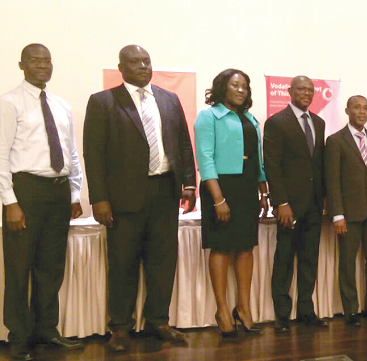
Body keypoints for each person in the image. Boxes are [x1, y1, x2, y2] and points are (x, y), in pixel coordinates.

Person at [83, 45, 197, 352]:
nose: (143, 66)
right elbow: (93, 155)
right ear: (121, 67)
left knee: (163, 261)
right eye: (135, 62)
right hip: (123, 198)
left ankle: (158, 321)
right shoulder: (103, 102)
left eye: (147, 61)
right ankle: (120, 327)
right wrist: (99, 199)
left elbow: (183, 145)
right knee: (123, 264)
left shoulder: (169, 99)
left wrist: (189, 184)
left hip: (164, 192)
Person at [0, 43, 84, 360]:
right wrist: (10, 202)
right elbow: (1, 156)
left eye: (47, 60)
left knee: (51, 268)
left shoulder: (61, 105)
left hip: (58, 192)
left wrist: (74, 193)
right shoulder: (9, 103)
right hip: (26, 190)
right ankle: (19, 337)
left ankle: (46, 330)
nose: (42, 65)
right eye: (35, 60)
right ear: (21, 65)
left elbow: (71, 154)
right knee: (20, 267)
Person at [194, 69, 268, 336]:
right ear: (223, 87)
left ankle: (244, 309)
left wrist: (263, 190)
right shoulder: (209, 116)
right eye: (235, 85)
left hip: (247, 188)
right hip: (221, 187)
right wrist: (218, 198)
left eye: (245, 86)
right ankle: (222, 311)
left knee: (246, 248)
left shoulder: (250, 118)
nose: (241, 90)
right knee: (222, 248)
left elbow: (258, 159)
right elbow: (205, 159)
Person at [263, 75, 327, 332]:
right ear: (289, 91)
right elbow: (273, 165)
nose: (306, 93)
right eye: (301, 88)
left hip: (313, 204)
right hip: (289, 205)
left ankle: (306, 311)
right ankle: (281, 315)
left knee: (310, 259)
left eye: (310, 90)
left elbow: (317, 165)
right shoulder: (276, 122)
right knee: (285, 260)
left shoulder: (319, 123)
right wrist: (281, 202)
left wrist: (323, 199)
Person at [325, 95, 367, 326]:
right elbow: (332, 180)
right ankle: (351, 311)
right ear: (347, 110)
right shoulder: (335, 141)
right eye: (357, 107)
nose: (361, 112)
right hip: (348, 214)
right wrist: (337, 214)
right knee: (347, 263)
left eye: (365, 108)